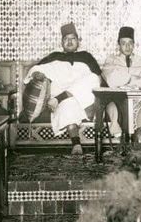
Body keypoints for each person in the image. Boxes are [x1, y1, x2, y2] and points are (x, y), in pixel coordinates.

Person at [25, 22, 102, 156]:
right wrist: (38, 75)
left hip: (81, 97)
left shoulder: (86, 57)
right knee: (69, 103)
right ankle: (76, 144)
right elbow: (35, 69)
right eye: (66, 39)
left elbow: (99, 79)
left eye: (73, 39)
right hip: (63, 98)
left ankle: (59, 98)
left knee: (93, 78)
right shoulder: (54, 56)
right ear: (62, 42)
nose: (70, 42)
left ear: (78, 41)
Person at [102, 26, 141, 138]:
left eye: (130, 43)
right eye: (123, 43)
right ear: (118, 45)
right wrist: (133, 79)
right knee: (112, 104)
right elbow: (112, 81)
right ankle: (117, 130)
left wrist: (125, 79)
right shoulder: (111, 60)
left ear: (134, 44)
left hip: (137, 100)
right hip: (116, 98)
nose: (127, 46)